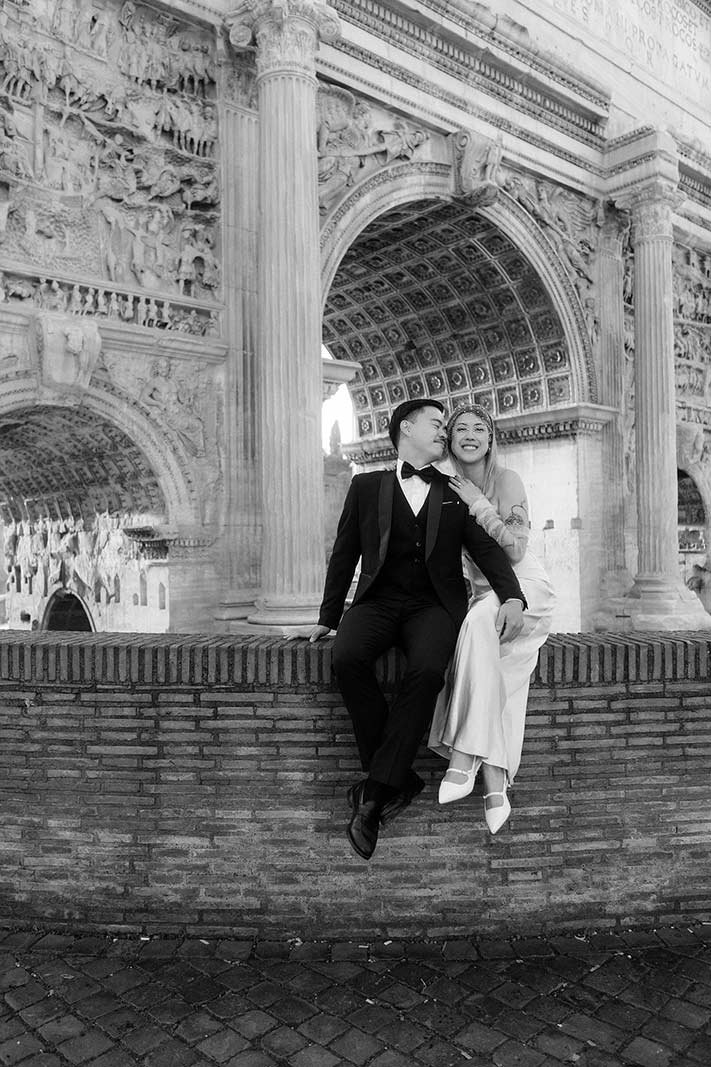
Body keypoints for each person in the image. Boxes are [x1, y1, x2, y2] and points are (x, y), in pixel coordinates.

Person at [309, 399, 527, 860]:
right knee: (346, 659)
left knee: (427, 671)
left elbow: (487, 551)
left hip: (433, 606)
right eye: (437, 424)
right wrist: (328, 618)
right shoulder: (366, 486)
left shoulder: (454, 488)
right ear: (406, 428)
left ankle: (373, 797)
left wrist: (513, 596)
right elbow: (344, 552)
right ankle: (395, 778)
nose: (444, 432)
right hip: (377, 602)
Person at [429, 403, 555, 833]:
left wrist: (478, 503)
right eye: (460, 428)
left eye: (478, 428)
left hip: (524, 588)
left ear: (490, 438)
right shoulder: (441, 485)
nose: (469, 435)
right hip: (483, 595)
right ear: (448, 438)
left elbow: (516, 550)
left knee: (480, 623)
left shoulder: (506, 480)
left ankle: (463, 759)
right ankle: (495, 781)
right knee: (500, 681)